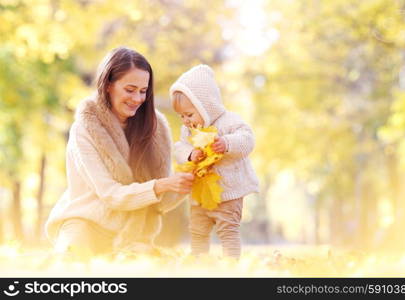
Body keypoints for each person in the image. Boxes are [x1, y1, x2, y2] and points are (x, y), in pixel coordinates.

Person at [45, 46, 194, 259]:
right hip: (85, 224)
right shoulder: (85, 129)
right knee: (72, 267)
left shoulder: (155, 127)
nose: (137, 99)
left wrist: (188, 179)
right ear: (108, 85)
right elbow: (110, 194)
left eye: (143, 91)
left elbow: (159, 203)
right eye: (130, 89)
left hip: (133, 235)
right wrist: (162, 185)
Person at [170, 64, 259, 259]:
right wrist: (190, 154)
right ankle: (199, 263)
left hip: (229, 193)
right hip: (201, 192)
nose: (185, 120)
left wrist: (227, 144)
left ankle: (231, 265)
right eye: (181, 116)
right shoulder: (188, 130)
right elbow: (179, 148)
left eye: (189, 114)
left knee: (228, 231)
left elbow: (247, 140)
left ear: (206, 105)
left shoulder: (229, 121)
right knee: (197, 231)